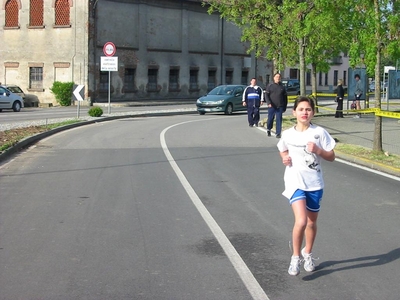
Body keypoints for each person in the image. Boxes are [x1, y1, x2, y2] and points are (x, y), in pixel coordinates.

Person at [277, 96, 336, 276]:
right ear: (294, 112)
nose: (305, 112)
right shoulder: (288, 134)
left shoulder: (319, 133)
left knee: (311, 222)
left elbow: (331, 156)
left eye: (308, 109)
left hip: (314, 183)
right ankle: (295, 257)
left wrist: (318, 151)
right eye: (301, 109)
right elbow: (282, 148)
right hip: (295, 181)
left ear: (313, 112)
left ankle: (307, 252)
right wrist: (284, 158)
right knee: (301, 221)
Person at [265, 73, 288, 137]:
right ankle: (269, 129)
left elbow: (285, 98)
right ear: (274, 78)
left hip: (279, 106)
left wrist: (284, 107)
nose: (278, 78)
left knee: (279, 119)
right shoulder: (270, 85)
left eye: (279, 77)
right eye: (277, 77)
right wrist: (268, 103)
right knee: (270, 119)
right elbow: (266, 95)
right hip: (272, 106)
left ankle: (278, 133)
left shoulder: (282, 87)